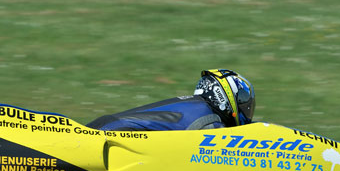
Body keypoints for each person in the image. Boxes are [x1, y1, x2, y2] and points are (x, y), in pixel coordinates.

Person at [87, 68, 255, 131]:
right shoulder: (211, 122)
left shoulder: (195, 105)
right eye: (243, 100)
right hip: (117, 134)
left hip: (109, 126)